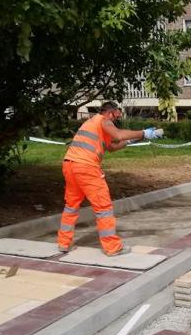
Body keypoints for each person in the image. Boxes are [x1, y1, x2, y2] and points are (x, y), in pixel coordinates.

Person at [57, 101, 162, 256]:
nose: (115, 120)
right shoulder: (104, 120)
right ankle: (112, 247)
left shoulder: (92, 123)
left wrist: (131, 140)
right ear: (110, 112)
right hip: (86, 168)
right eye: (116, 115)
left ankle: (63, 243)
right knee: (103, 208)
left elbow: (111, 147)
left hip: (70, 165)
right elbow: (118, 134)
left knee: (71, 206)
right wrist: (144, 133)